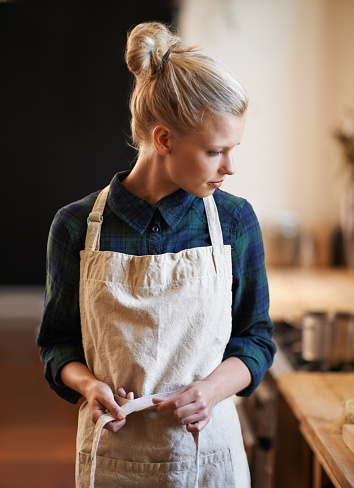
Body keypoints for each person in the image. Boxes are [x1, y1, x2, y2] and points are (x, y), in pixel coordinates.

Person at [37, 21, 276, 488]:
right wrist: (89, 386)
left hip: (209, 458)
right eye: (215, 151)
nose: (230, 167)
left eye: (233, 149)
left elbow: (256, 339)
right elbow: (57, 345)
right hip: (113, 458)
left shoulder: (234, 222)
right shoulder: (76, 227)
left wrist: (211, 391)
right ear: (164, 140)